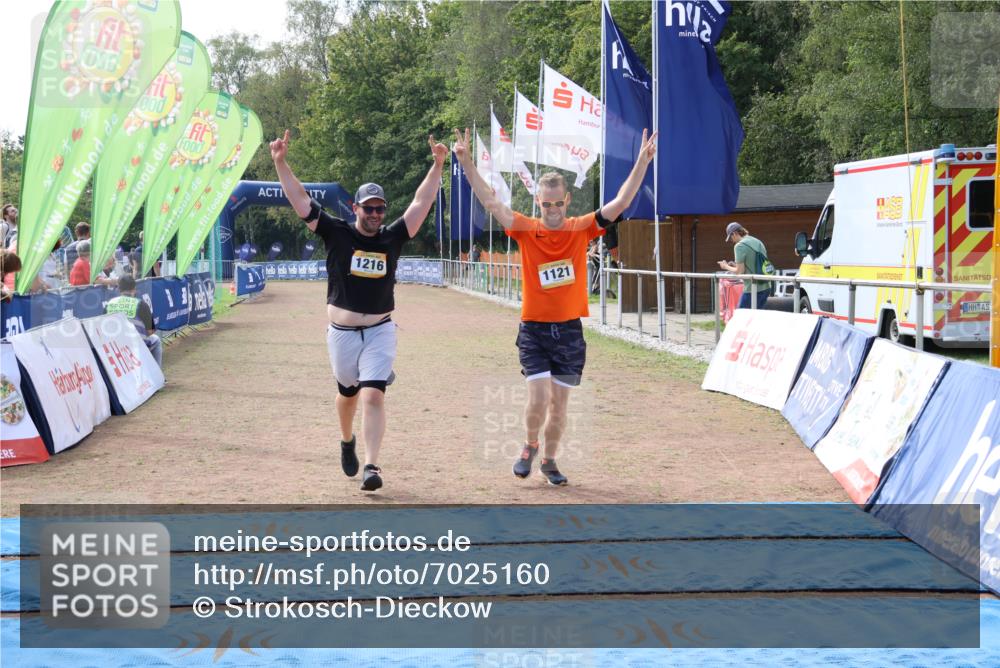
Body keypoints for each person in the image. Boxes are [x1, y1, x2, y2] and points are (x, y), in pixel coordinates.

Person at [453, 126, 656, 486]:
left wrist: (642, 161)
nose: (552, 210)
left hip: (569, 331)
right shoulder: (525, 229)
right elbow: (491, 202)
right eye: (546, 204)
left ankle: (549, 461)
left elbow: (621, 202)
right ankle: (529, 446)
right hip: (534, 330)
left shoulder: (581, 228)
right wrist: (467, 161)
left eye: (557, 203)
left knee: (559, 408)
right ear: (538, 202)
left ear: (566, 201)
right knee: (538, 399)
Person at [270, 128, 447, 492]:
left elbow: (421, 202)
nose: (376, 214)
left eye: (380, 208)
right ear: (356, 209)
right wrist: (280, 163)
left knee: (373, 394)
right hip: (342, 335)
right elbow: (300, 199)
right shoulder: (336, 232)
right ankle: (346, 439)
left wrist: (438, 165)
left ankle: (371, 465)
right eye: (369, 208)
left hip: (381, 330)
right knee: (348, 395)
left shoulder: (393, 237)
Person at [106, 275, 162, 366]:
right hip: (136, 345)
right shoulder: (141, 304)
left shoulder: (109, 304)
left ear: (118, 289)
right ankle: (157, 373)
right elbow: (150, 331)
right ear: (134, 289)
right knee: (156, 339)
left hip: (115, 345)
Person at [717, 222, 771, 310]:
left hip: (752, 288)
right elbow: (754, 263)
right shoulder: (757, 241)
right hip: (766, 286)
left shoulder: (739, 246)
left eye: (731, 237)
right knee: (756, 315)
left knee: (741, 314)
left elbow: (739, 271)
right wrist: (735, 265)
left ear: (734, 233)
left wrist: (725, 266)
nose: (732, 241)